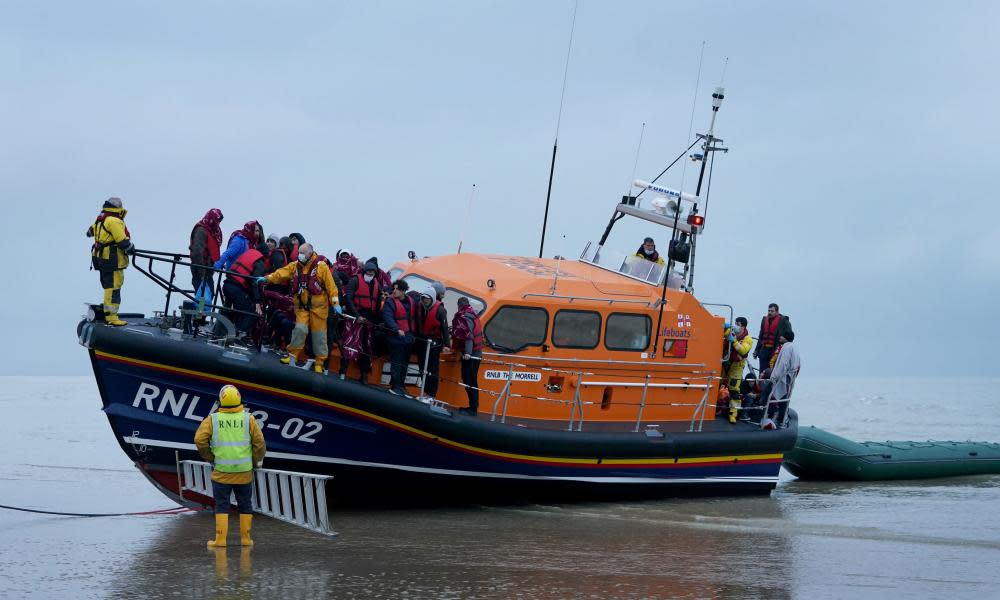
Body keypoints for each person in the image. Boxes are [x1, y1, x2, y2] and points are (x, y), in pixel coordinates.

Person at [194, 385, 266, 548]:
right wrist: (255, 462)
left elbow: (199, 440)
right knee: (245, 504)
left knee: (222, 504)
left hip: (221, 473)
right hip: (244, 473)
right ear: (239, 398)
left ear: (221, 399)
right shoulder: (249, 419)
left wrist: (210, 457)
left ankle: (220, 540)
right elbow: (260, 444)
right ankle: (246, 539)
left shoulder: (213, 419)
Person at [260, 243, 340, 373]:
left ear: (310, 254)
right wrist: (267, 278)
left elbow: (332, 288)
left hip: (319, 308)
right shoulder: (296, 266)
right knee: (300, 329)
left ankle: (319, 363)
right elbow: (281, 273)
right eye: (299, 253)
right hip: (302, 307)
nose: (300, 255)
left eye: (302, 253)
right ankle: (292, 355)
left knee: (319, 336)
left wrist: (336, 304)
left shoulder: (322, 267)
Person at [87, 197, 135, 326]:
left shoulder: (101, 218)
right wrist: (131, 249)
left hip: (100, 258)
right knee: (114, 287)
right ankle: (111, 317)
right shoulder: (114, 221)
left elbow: (89, 232)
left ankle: (106, 311)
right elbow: (122, 240)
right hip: (112, 259)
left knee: (108, 285)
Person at [341, 260, 384, 382]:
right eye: (368, 272)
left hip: (368, 320)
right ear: (364, 271)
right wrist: (356, 315)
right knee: (349, 343)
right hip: (354, 317)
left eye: (372, 273)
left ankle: (364, 374)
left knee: (366, 346)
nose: (370, 275)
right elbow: (348, 299)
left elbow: (376, 306)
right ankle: (343, 370)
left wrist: (376, 321)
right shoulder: (354, 281)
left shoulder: (377, 285)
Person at [223, 244, 268, 339]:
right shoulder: (260, 262)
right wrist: (257, 301)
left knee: (230, 309)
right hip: (236, 289)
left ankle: (220, 331)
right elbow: (255, 281)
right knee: (252, 312)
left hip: (227, 285)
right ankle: (239, 336)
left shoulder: (247, 254)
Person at [413, 287, 450, 399]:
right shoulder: (419, 307)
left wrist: (447, 345)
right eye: (423, 298)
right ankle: (424, 391)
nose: (425, 301)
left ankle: (431, 394)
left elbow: (445, 329)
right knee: (421, 368)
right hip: (421, 341)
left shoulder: (440, 310)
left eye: (427, 299)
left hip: (434, 343)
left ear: (432, 298)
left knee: (432, 369)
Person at [451, 296, 484, 415]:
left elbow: (468, 336)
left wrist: (468, 353)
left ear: (459, 306)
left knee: (470, 381)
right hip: (476, 354)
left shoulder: (465, 317)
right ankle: (473, 407)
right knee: (471, 380)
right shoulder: (472, 314)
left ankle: (473, 409)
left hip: (472, 355)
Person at [760, 331, 800, 428]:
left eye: (782, 336)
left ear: (785, 338)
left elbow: (783, 364)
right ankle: (780, 419)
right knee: (783, 399)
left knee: (766, 395)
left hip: (781, 378)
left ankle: (763, 415)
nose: (780, 337)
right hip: (788, 379)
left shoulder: (786, 348)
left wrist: (774, 377)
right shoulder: (794, 347)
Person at [382, 279, 415, 396]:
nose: (394, 291)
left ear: (403, 291)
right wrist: (396, 329)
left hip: (408, 337)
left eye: (397, 289)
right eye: (394, 289)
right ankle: (395, 385)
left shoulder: (411, 301)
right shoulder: (390, 302)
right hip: (395, 337)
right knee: (397, 361)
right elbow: (388, 317)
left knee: (404, 362)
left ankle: (401, 385)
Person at [189, 208, 224, 305]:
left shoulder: (212, 231)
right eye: (217, 221)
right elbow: (197, 253)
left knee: (208, 295)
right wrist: (202, 274)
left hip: (207, 269)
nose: (218, 223)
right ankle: (198, 318)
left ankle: (199, 316)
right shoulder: (201, 231)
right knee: (203, 296)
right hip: (200, 269)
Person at [724, 317, 753, 424]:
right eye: (735, 323)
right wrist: (723, 327)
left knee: (734, 390)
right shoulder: (731, 332)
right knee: (718, 383)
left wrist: (734, 341)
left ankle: (733, 414)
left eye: (738, 324)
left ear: (743, 326)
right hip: (725, 363)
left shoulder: (748, 339)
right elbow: (725, 334)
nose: (735, 325)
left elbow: (743, 349)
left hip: (737, 366)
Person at [753, 303, 794, 373]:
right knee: (762, 372)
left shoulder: (784, 321)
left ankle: (771, 383)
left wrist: (785, 341)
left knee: (773, 371)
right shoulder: (764, 320)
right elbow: (761, 337)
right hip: (764, 350)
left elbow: (790, 335)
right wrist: (756, 350)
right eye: (769, 311)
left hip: (775, 350)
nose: (770, 313)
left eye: (772, 311)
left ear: (777, 312)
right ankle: (761, 383)